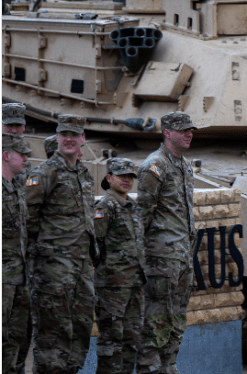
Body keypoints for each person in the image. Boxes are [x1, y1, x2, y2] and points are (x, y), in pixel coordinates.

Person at [24, 114, 97, 374]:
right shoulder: (44, 173)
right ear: (57, 138)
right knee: (53, 336)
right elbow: (27, 219)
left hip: (81, 268)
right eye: (64, 134)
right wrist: (41, 259)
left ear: (82, 139)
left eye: (74, 135)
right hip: (53, 269)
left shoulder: (84, 174)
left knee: (80, 331)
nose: (69, 139)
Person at [136, 111, 197, 374]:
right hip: (161, 258)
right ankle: (150, 367)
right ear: (167, 133)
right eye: (183, 130)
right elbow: (142, 216)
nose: (189, 134)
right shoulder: (154, 166)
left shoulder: (184, 165)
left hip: (183, 256)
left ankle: (169, 366)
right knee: (157, 317)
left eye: (190, 129)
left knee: (177, 316)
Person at [94, 158, 146, 374]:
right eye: (121, 176)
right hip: (112, 289)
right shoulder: (105, 207)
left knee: (131, 341)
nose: (126, 180)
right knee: (111, 342)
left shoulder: (133, 207)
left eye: (130, 176)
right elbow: (93, 245)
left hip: (134, 286)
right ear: (109, 178)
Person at [2, 103, 34, 374]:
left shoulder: (22, 168)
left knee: (19, 337)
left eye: (18, 125)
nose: (14, 129)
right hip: (5, 275)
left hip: (21, 270)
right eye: (8, 124)